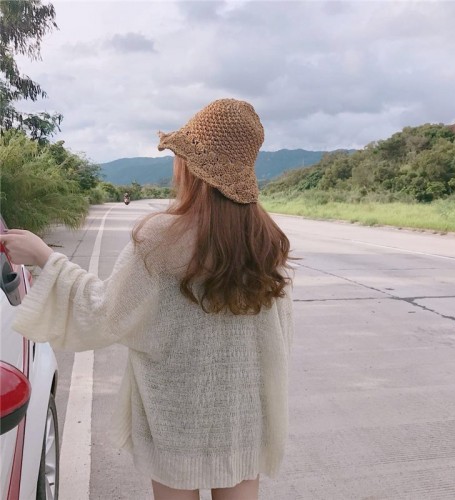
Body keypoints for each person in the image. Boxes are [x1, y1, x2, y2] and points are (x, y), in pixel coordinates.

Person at [0, 98, 294, 500]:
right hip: (243, 416)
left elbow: (104, 310)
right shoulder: (267, 244)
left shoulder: (161, 239)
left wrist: (45, 258)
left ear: (192, 168)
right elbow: (278, 341)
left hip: (176, 417)